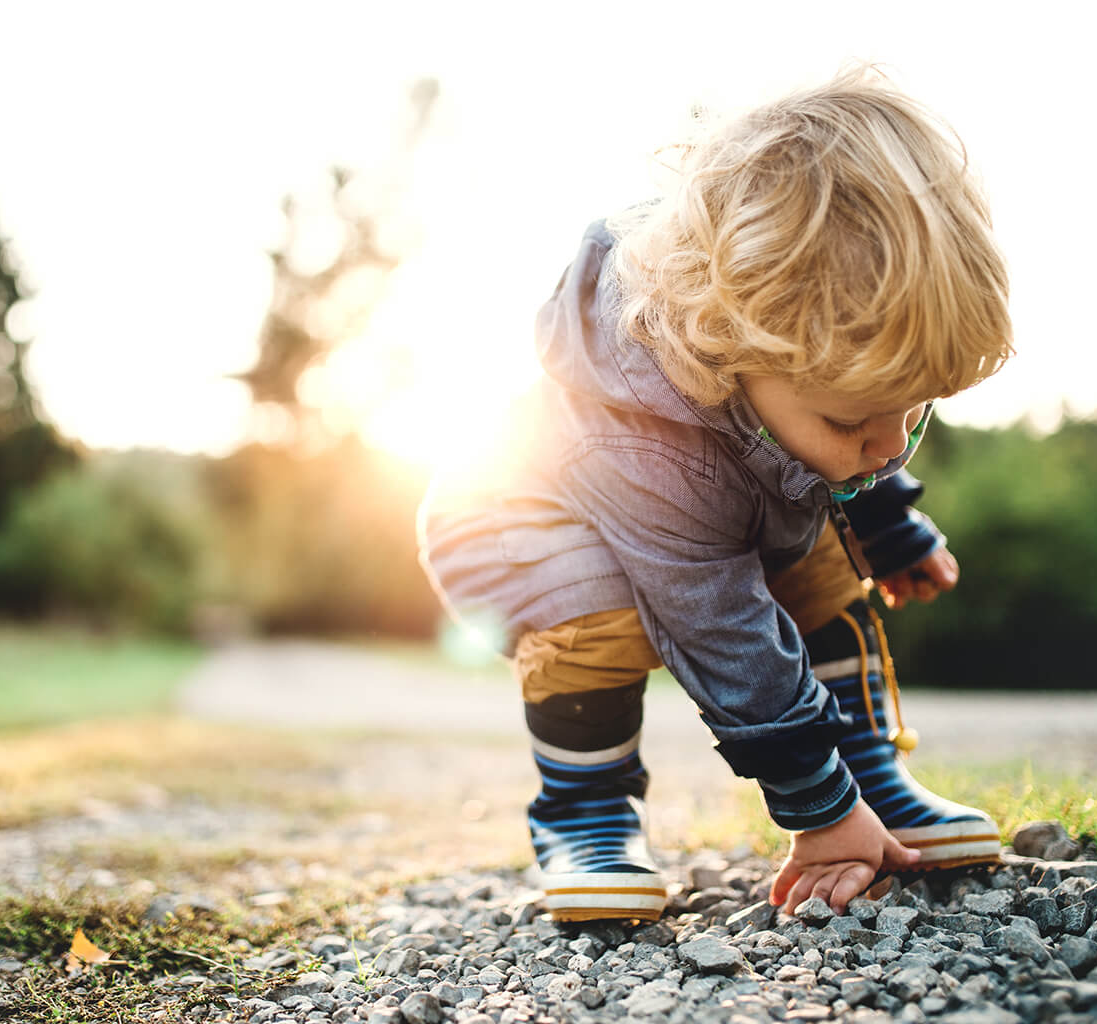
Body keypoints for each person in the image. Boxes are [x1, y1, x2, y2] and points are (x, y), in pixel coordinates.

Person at [417, 68, 1014, 922]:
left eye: (912, 410)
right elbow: (719, 625)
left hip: (716, 515)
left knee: (822, 570)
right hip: (519, 528)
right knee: (605, 615)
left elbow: (846, 452)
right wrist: (818, 811)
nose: (886, 445)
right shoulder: (640, 434)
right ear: (732, 345)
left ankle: (872, 775)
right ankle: (585, 815)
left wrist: (887, 519)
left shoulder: (805, 392)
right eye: (853, 420)